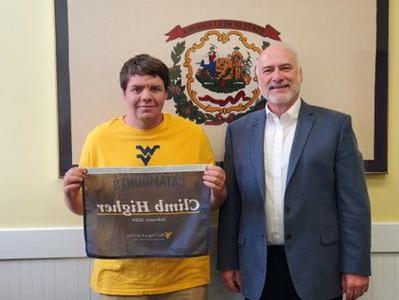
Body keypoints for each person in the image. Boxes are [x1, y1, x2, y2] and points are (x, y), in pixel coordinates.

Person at [63, 54, 226, 299]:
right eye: (137, 88)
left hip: (184, 275)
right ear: (124, 93)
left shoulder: (193, 135)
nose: (146, 96)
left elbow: (206, 205)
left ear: (166, 93)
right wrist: (69, 193)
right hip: (121, 276)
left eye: (155, 88)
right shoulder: (99, 139)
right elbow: (85, 209)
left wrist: (219, 191)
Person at [217, 43, 371, 300]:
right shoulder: (238, 131)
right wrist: (229, 261)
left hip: (318, 266)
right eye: (268, 70)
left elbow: (354, 203)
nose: (277, 76)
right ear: (258, 78)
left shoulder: (336, 126)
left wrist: (356, 266)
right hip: (258, 266)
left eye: (285, 68)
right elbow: (232, 204)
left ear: (299, 74)